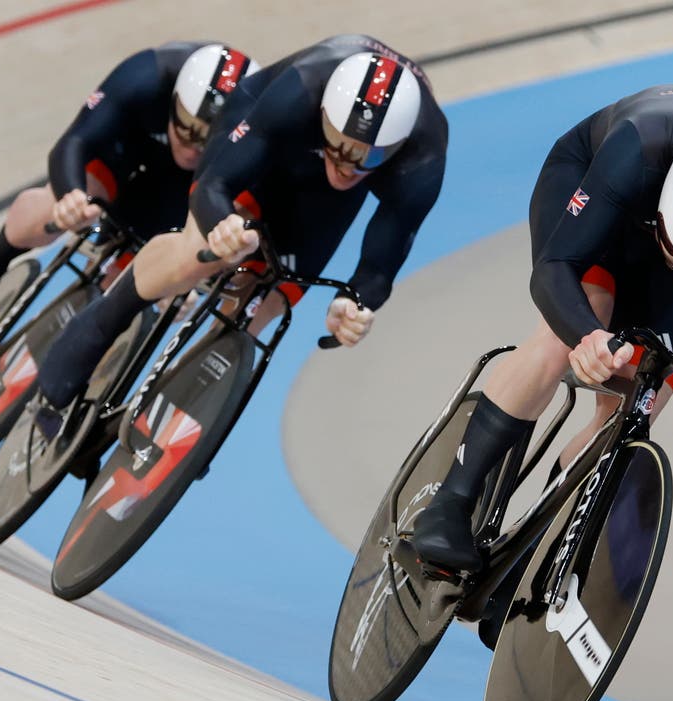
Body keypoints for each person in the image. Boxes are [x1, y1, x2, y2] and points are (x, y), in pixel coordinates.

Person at [410, 85, 673, 584]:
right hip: (594, 188)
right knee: (568, 335)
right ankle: (450, 503)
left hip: (668, 235)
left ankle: (536, 551)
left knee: (641, 397)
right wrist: (586, 334)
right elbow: (554, 270)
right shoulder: (640, 143)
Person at [34, 34, 448, 419]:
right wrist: (220, 224)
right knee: (198, 253)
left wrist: (356, 303)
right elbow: (214, 185)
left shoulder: (423, 156)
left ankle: (173, 418)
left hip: (324, 194)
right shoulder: (298, 92)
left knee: (268, 305)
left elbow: (381, 262)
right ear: (323, 112)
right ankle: (96, 327)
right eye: (339, 144)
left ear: (394, 150)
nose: (346, 162)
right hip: (261, 130)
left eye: (368, 158)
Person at [0, 41, 258, 334]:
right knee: (51, 208)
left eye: (205, 139)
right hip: (124, 153)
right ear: (172, 98)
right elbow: (74, 141)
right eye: (185, 128)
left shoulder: (251, 138)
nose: (191, 148)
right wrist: (70, 196)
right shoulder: (144, 75)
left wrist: (186, 277)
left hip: (184, 193)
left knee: (130, 288)